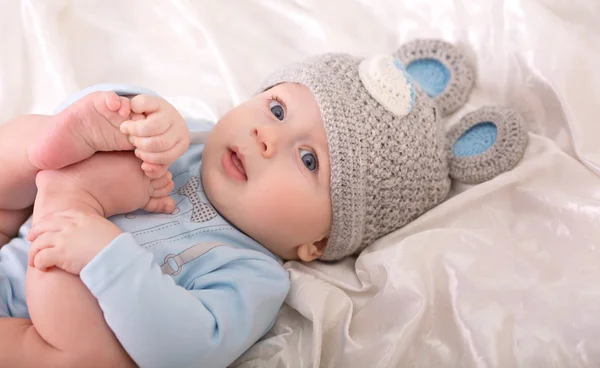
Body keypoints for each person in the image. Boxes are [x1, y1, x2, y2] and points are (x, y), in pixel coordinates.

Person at [0, 39, 528, 367]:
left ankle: (67, 194)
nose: (265, 137)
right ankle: (57, 151)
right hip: (15, 228)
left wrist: (104, 254)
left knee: (95, 359)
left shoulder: (253, 276)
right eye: (276, 108)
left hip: (36, 327)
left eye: (309, 161)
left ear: (317, 242)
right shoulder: (192, 140)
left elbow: (183, 350)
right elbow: (124, 128)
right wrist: (141, 116)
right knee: (49, 144)